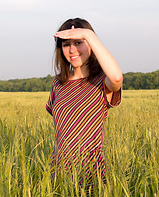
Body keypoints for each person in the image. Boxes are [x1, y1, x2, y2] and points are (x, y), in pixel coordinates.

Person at [46, 18, 122, 194]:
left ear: (91, 44)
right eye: (66, 44)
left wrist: (88, 34)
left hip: (91, 173)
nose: (72, 50)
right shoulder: (58, 84)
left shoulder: (102, 81)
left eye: (79, 42)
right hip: (59, 173)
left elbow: (117, 77)